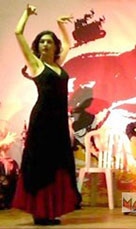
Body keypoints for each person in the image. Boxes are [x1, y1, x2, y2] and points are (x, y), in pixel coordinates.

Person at [12, 4, 81, 225]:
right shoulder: (36, 65)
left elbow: (68, 43)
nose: (45, 44)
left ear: (54, 46)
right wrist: (27, 14)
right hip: (42, 120)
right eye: (42, 41)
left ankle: (50, 210)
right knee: (42, 164)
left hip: (59, 121)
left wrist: (61, 25)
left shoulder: (59, 65)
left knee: (57, 164)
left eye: (49, 41)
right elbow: (17, 33)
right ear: (38, 46)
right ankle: (40, 212)